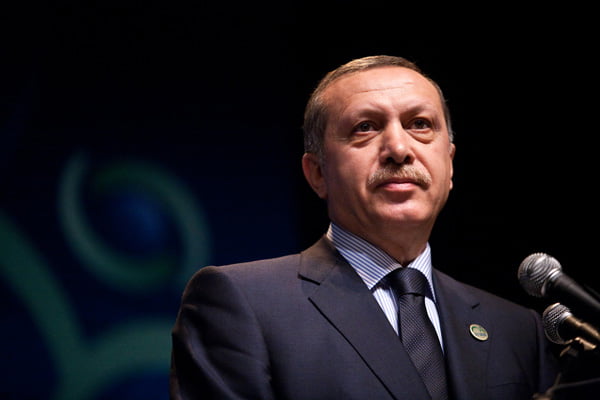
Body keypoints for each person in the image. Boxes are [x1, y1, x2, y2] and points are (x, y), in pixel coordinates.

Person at [170, 55, 559, 400]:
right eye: (365, 127)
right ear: (318, 173)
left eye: (420, 124)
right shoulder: (243, 303)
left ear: (450, 164)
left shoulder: (516, 328)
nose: (399, 148)